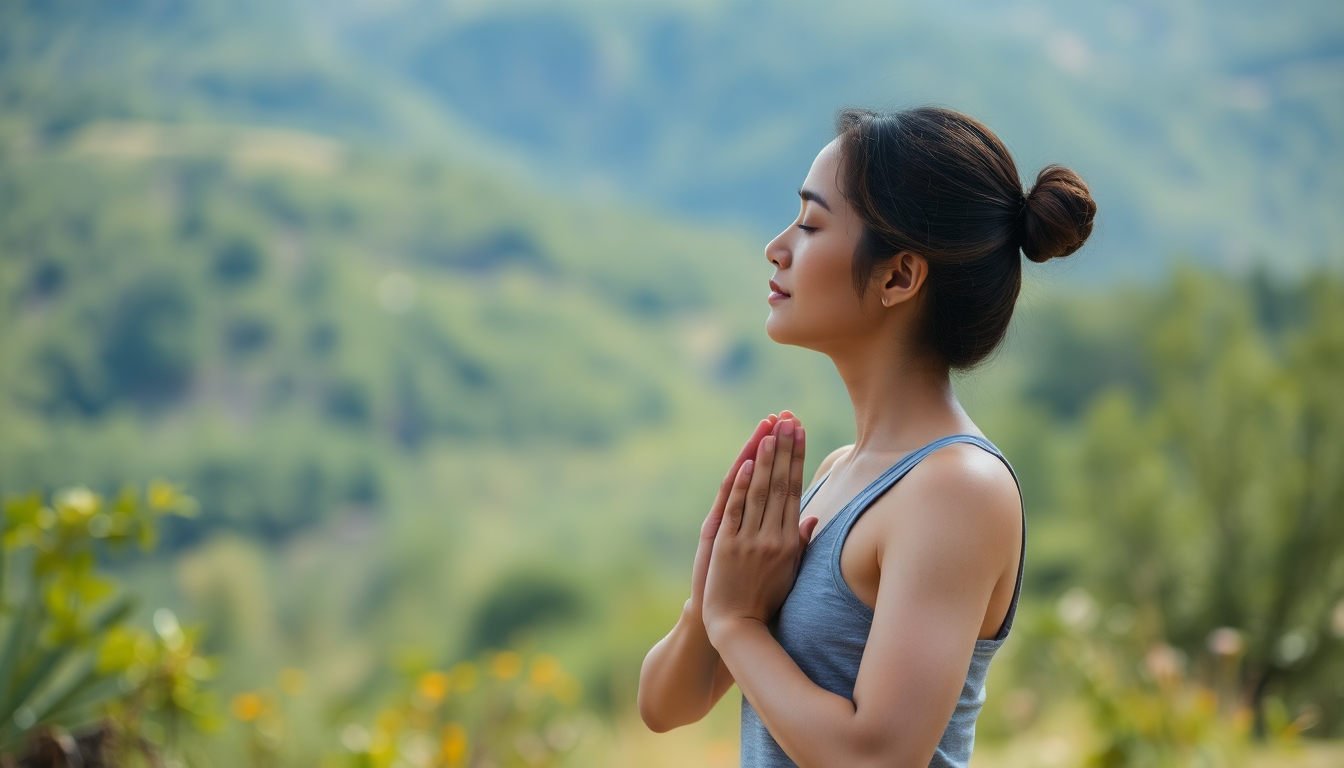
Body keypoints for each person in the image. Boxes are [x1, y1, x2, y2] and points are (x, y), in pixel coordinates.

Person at [636, 107, 1096, 767]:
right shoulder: (837, 471)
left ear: (898, 277)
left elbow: (875, 758)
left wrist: (737, 625)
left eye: (811, 223)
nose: (777, 247)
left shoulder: (957, 489)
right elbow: (664, 705)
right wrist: (712, 597)